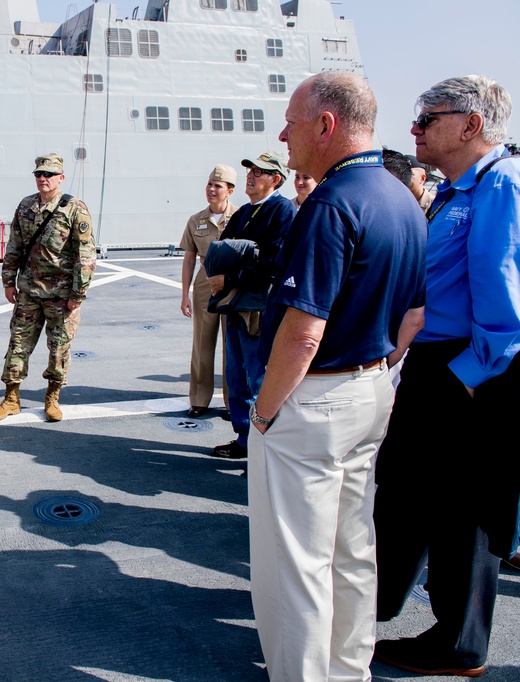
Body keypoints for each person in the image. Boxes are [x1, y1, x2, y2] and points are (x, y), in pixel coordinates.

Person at [248, 71, 427, 681]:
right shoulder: (402, 196)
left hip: (314, 400)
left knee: (295, 563)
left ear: (326, 125)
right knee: (353, 551)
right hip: (372, 390)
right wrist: (375, 369)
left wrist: (265, 412)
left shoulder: (330, 203)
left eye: (293, 123)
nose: (283, 134)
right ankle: (349, 670)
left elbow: (302, 332)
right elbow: (416, 313)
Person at [373, 75, 520, 678]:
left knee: (465, 509)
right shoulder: (456, 190)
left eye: (427, 119)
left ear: (471, 124)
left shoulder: (501, 185)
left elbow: (501, 290)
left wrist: (470, 375)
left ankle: (460, 643)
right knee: (406, 490)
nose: (415, 130)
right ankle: (379, 599)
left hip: (471, 370)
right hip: (441, 363)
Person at [0, 154, 95, 423]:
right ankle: (11, 398)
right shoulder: (25, 206)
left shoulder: (75, 209)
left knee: (59, 348)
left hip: (61, 296)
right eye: (39, 174)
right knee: (18, 345)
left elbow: (86, 254)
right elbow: (14, 246)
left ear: (61, 177)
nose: (43, 179)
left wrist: (77, 294)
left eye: (48, 174)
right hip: (29, 292)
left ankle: (52, 398)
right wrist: (8, 281)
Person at [206, 151, 295, 459]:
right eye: (251, 170)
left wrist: (230, 277)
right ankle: (245, 439)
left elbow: (273, 263)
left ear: (276, 179)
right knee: (236, 376)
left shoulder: (282, 213)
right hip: (236, 305)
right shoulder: (244, 212)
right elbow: (220, 250)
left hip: (258, 306)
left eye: (260, 172)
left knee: (258, 377)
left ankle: (263, 446)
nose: (251, 175)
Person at [178, 165, 238, 418]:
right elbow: (189, 258)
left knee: (232, 345)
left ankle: (231, 401)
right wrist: (185, 294)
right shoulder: (196, 220)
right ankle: (199, 399)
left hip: (234, 283)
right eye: (209, 185)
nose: (212, 190)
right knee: (202, 342)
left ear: (230, 191)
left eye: (218, 186)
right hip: (205, 282)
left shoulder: (241, 217)